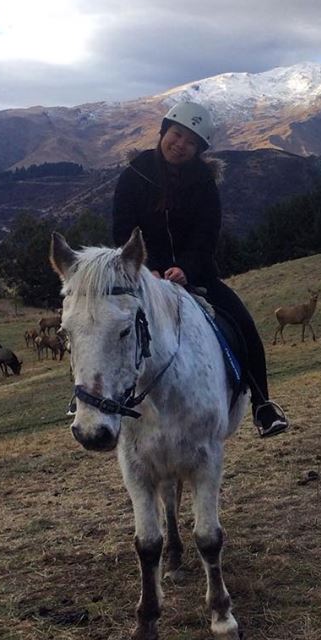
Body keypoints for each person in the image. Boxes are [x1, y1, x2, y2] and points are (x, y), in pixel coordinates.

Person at [113, 100, 288, 436]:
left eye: (190, 142)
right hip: (141, 276)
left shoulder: (204, 184)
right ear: (164, 131)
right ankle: (89, 399)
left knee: (243, 325)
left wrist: (186, 270)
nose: (180, 145)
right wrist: (143, 269)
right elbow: (123, 230)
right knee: (100, 324)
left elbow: (207, 234)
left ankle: (263, 405)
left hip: (195, 275)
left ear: (198, 150)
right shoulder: (133, 174)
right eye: (176, 135)